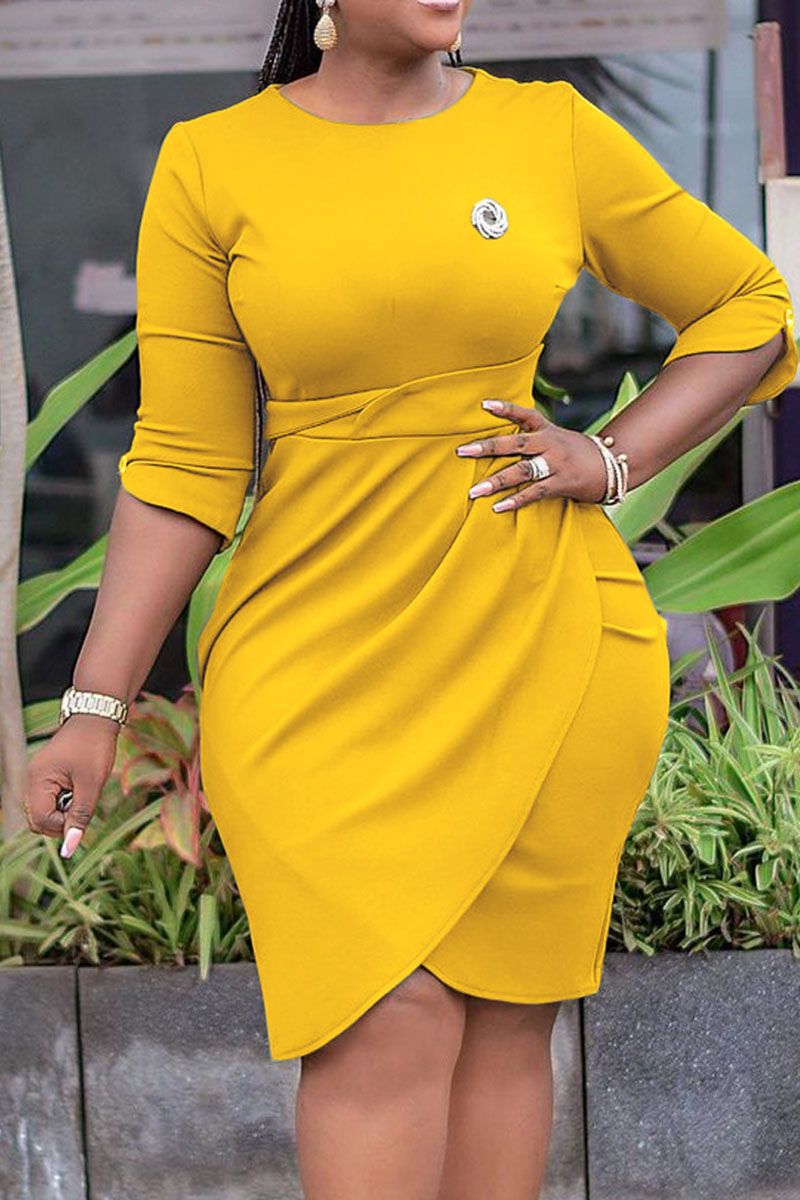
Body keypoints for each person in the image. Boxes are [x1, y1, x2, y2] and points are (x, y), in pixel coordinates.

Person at [23, 1, 797, 1197]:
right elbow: (182, 465)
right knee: (380, 1018)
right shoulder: (213, 161)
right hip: (311, 655)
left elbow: (747, 307)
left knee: (504, 1020)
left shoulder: (546, 132)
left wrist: (611, 457)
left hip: (542, 637)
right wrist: (94, 703)